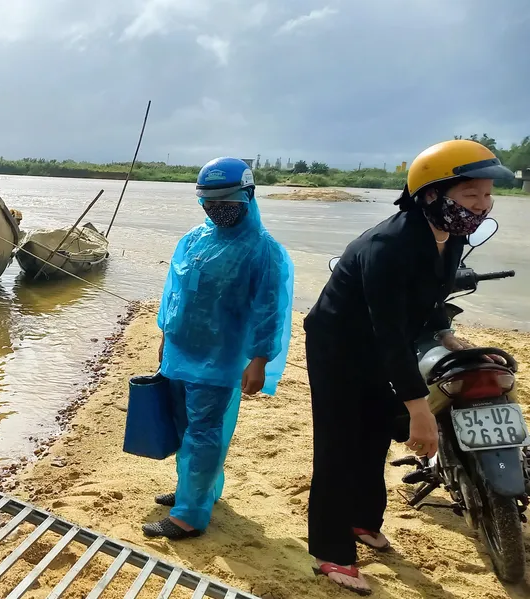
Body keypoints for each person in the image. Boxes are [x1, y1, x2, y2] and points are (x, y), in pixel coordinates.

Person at [303, 139, 513, 595]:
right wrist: (418, 409)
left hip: (384, 342)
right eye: (470, 195)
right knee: (340, 445)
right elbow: (389, 334)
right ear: (433, 194)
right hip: (339, 347)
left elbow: (433, 293)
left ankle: (362, 520)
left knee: (377, 431)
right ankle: (330, 552)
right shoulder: (388, 246)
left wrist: (442, 330)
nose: (481, 205)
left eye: (485, 195)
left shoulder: (451, 235)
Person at [144, 157, 294, 540]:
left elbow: (269, 309)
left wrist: (259, 359)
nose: (216, 208)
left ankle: (189, 516)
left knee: (204, 432)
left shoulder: (263, 250)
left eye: (226, 199)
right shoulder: (193, 239)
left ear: (248, 195)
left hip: (221, 358)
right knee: (182, 426)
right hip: (181, 351)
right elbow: (172, 294)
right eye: (208, 200)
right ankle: (195, 491)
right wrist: (164, 337)